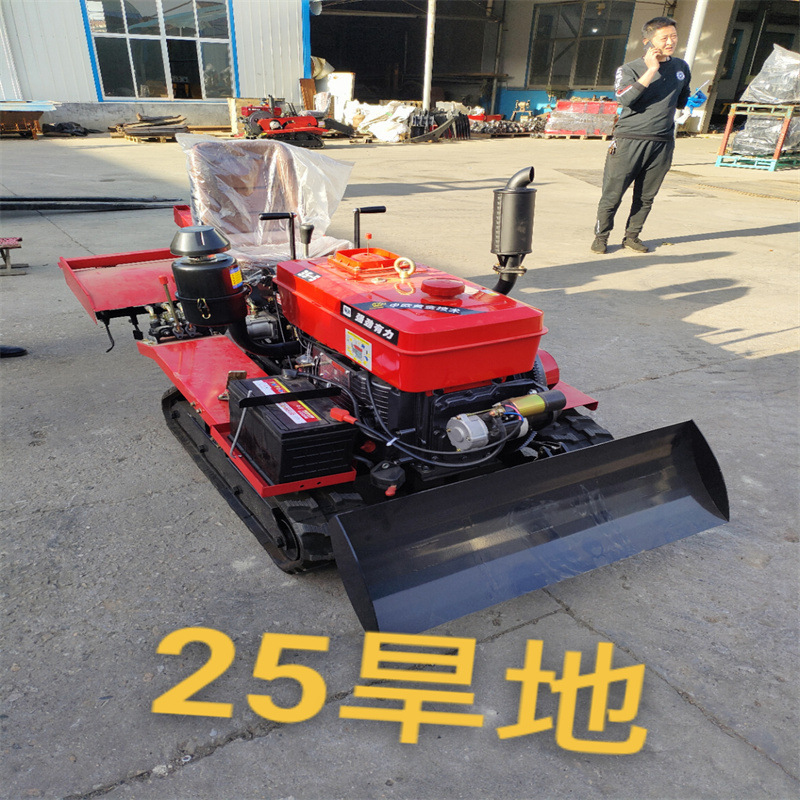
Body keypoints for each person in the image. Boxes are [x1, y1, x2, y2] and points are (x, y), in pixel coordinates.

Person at [591, 16, 691, 254]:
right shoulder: (629, 69)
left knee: (646, 197)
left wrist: (691, 100)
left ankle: (632, 236)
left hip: (662, 142)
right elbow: (625, 98)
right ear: (648, 41)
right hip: (629, 140)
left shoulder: (681, 67)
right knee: (613, 194)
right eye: (664, 38)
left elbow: (680, 100)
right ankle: (601, 237)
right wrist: (652, 69)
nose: (670, 42)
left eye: (673, 36)